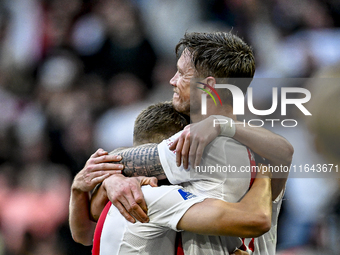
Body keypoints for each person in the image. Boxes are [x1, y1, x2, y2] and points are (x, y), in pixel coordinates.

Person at [70, 32, 293, 254]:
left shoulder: (198, 146)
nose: (172, 80)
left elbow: (87, 228)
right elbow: (285, 153)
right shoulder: (261, 153)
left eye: (181, 73)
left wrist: (109, 175)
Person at [89, 101, 271, 255]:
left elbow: (82, 234)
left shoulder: (117, 192)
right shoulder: (154, 196)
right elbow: (256, 220)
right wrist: (265, 172)